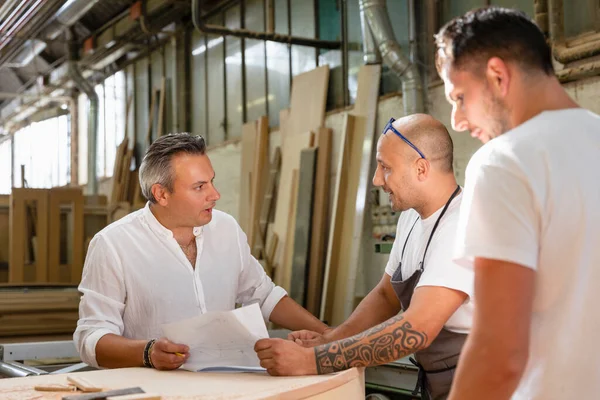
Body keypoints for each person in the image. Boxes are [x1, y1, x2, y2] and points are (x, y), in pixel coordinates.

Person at [435, 6, 600, 400]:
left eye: (459, 97)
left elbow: (500, 351)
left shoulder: (504, 162)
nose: (456, 119)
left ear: (497, 75)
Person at [255, 114, 475, 399]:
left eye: (385, 167)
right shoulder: (410, 218)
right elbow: (386, 295)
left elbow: (418, 328)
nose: (376, 179)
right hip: (440, 383)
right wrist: (331, 339)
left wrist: (312, 361)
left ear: (421, 168)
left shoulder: (462, 225)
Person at [74, 133, 329, 370]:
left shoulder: (226, 228)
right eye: (199, 187)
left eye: (212, 181)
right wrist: (148, 352)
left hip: (226, 382)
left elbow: (263, 295)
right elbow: (91, 337)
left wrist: (331, 337)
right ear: (161, 194)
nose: (215, 195)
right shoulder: (113, 244)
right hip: (154, 391)